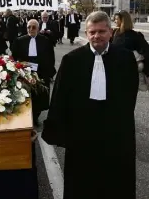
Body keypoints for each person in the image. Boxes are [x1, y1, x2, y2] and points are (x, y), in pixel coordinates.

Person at [42, 11, 139, 199]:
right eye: (92, 32)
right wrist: (58, 130)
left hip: (115, 132)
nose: (97, 36)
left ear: (111, 32)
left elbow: (130, 94)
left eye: (102, 31)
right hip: (82, 133)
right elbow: (60, 97)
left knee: (116, 181)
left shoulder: (125, 58)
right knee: (82, 182)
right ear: (86, 33)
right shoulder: (72, 60)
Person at [12, 19, 55, 126]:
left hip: (41, 72)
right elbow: (14, 57)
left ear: (38, 28)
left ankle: (35, 116)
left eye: (34, 27)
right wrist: (21, 65)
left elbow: (51, 58)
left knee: (39, 96)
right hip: (25, 72)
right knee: (25, 95)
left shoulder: (45, 40)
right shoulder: (19, 40)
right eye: (29, 27)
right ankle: (26, 116)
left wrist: (48, 72)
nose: (31, 29)